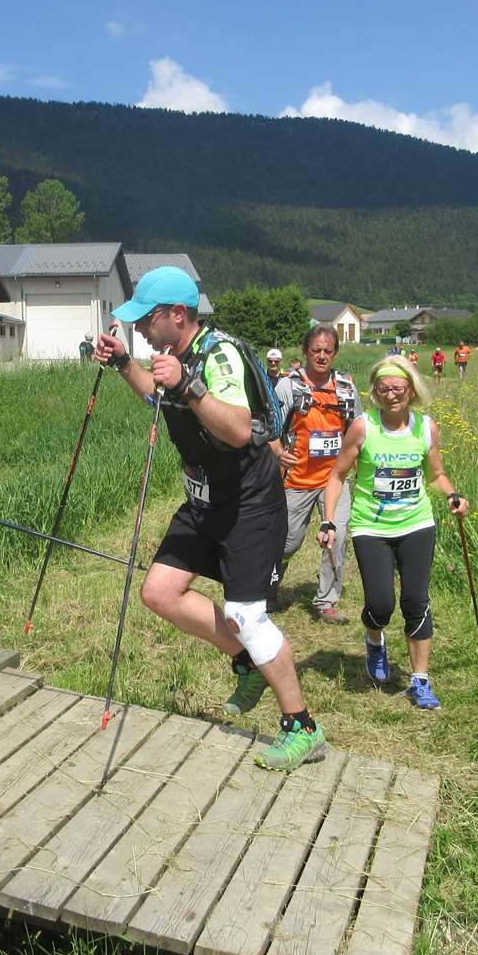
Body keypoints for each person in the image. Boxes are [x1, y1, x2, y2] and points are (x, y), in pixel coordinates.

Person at [93, 266, 325, 773]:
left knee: (247, 616)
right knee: (159, 592)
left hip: (247, 503)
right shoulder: (171, 355)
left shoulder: (218, 354)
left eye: (147, 320)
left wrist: (192, 387)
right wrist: (123, 363)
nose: (140, 329)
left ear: (177, 315)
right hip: (203, 500)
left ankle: (303, 727)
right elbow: (159, 396)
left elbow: (242, 430)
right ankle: (248, 664)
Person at [319, 354, 469, 710]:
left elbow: (435, 475)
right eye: (384, 389)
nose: (391, 395)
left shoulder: (426, 427)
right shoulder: (363, 427)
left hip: (416, 524)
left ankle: (420, 680)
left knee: (416, 601)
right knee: (381, 604)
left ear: (411, 390)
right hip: (371, 526)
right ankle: (374, 639)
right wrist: (328, 520)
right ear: (375, 392)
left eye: (398, 388)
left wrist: (451, 495)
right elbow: (337, 475)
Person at [273, 326, 361, 624]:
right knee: (287, 542)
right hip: (296, 479)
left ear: (335, 353)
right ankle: (269, 584)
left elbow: (357, 430)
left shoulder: (347, 387)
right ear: (305, 351)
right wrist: (276, 452)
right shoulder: (288, 386)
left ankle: (326, 602)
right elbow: (270, 426)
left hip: (334, 480)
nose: (322, 356)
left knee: (335, 538)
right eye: (316, 350)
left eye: (328, 350)